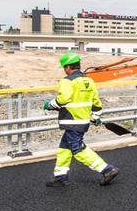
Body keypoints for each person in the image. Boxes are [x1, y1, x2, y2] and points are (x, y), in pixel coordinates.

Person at [43, 52, 119, 187]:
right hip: (82, 121)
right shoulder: (89, 81)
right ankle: (60, 177)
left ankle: (107, 170)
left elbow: (63, 99)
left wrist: (50, 105)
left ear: (68, 67)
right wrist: (96, 117)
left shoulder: (67, 81)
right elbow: (96, 102)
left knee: (78, 149)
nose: (64, 70)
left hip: (72, 121)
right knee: (64, 148)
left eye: (64, 67)